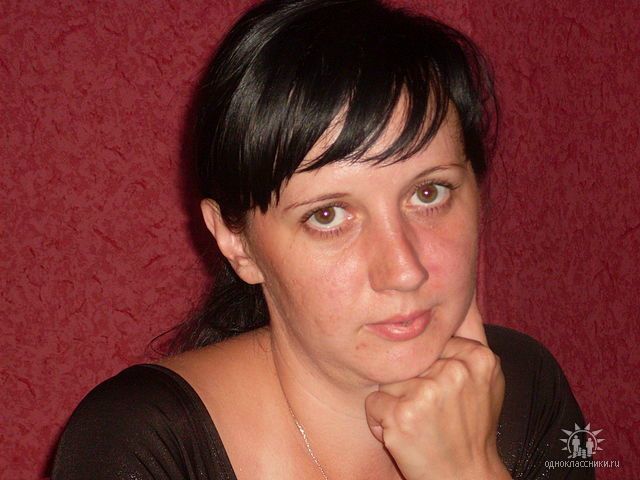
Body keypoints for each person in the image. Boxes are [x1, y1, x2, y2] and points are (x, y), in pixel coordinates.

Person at [51, 1, 594, 479]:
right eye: (329, 215)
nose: (403, 270)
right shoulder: (144, 442)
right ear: (236, 242)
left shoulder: (527, 387)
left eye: (428, 193)